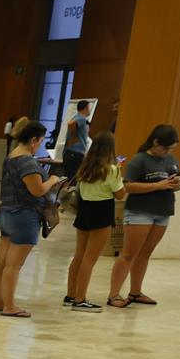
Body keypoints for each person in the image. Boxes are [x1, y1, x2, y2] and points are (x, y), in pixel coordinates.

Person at [0, 121, 65, 318]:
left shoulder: (11, 157)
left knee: (1, 262)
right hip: (24, 215)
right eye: (40, 141)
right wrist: (52, 180)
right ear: (33, 140)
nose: (39, 144)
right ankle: (9, 306)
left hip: (6, 212)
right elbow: (37, 190)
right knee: (14, 265)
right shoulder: (27, 162)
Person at [107, 125, 180, 308]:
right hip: (140, 211)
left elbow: (177, 182)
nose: (168, 152)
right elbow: (128, 187)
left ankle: (136, 292)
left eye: (171, 148)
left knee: (145, 253)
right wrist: (158, 185)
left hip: (163, 211)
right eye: (165, 148)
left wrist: (176, 184)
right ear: (155, 142)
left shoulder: (171, 159)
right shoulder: (139, 160)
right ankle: (114, 294)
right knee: (129, 253)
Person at [63, 131, 123, 312]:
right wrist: (119, 172)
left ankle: (71, 294)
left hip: (84, 211)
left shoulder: (85, 168)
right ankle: (81, 299)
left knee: (79, 255)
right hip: (102, 212)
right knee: (90, 258)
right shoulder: (112, 170)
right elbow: (121, 194)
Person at [60, 98, 93, 179]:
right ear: (86, 108)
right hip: (75, 153)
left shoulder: (76, 116)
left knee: (71, 177)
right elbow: (71, 124)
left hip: (71, 153)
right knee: (74, 178)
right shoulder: (81, 118)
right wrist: (73, 139)